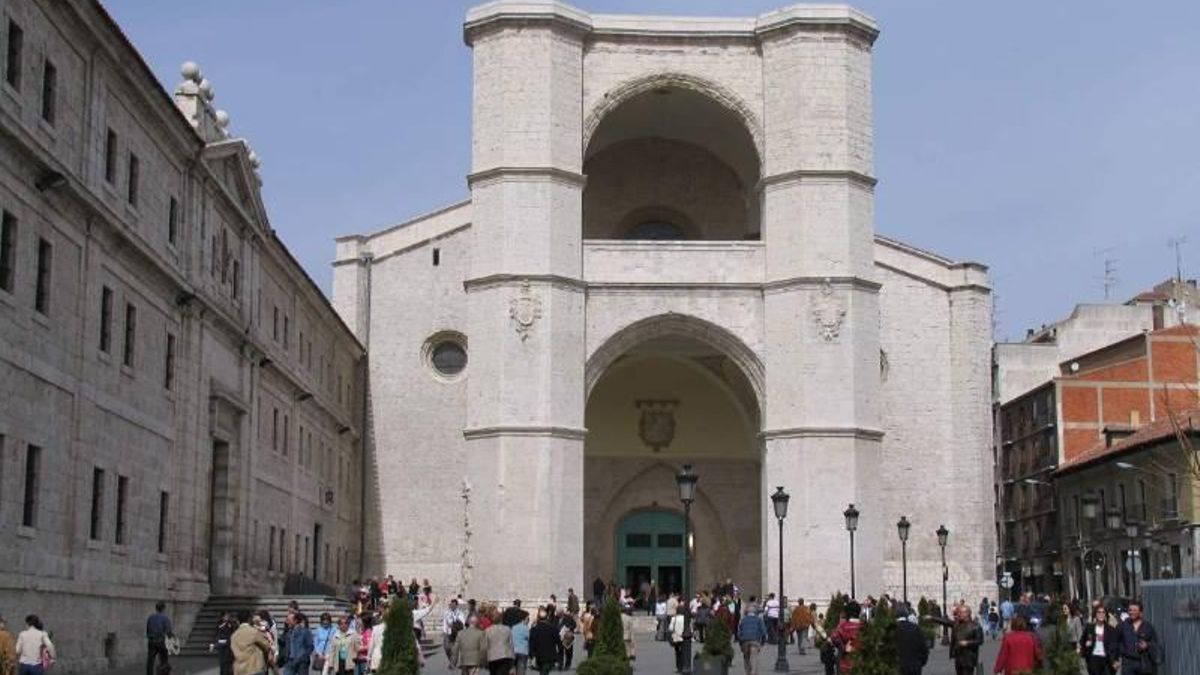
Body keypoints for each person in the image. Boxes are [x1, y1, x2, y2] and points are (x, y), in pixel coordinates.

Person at [1118, 602, 1160, 675]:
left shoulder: (1148, 627)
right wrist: (1121, 652)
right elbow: (1116, 642)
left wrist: (1147, 645)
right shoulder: (1122, 626)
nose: (1131, 612)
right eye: (1130, 610)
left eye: (1134, 610)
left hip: (1143, 662)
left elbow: (1155, 644)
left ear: (1140, 613)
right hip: (1128, 662)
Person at [1079, 605, 1120, 675]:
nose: (1101, 614)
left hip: (1106, 659)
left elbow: (1115, 646)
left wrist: (1116, 660)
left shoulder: (1111, 629)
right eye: (1099, 612)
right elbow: (1082, 641)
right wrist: (1085, 646)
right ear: (1095, 614)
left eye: (1103, 612)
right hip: (1093, 659)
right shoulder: (1089, 627)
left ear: (1105, 615)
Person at [231, 610, 272, 675]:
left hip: (240, 669)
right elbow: (266, 645)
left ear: (238, 621)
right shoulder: (253, 631)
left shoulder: (234, 636)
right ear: (249, 619)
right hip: (254, 667)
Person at [831, 601, 864, 675]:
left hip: (846, 663)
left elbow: (834, 638)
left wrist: (843, 647)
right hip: (862, 663)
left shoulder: (843, 626)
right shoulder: (865, 626)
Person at [895, 607, 930, 675]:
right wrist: (920, 662)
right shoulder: (915, 628)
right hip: (914, 666)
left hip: (896, 667)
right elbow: (923, 647)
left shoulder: (891, 629)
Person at [951, 605, 984, 675]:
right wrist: (932, 618)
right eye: (958, 612)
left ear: (967, 613)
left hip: (969, 658)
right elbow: (944, 621)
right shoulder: (957, 624)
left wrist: (967, 643)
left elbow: (980, 640)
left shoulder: (976, 626)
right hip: (959, 658)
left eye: (960, 612)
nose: (958, 614)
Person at [736, 605, 768, 675]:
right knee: (754, 658)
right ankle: (753, 673)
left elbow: (739, 633)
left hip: (745, 641)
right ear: (755, 612)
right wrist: (762, 642)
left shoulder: (743, 620)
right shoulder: (759, 619)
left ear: (746, 613)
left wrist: (740, 643)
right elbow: (764, 632)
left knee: (746, 658)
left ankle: (747, 673)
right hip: (755, 640)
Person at [146, 601, 174, 675]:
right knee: (164, 659)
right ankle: (163, 673)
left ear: (156, 608)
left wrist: (150, 637)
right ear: (163, 609)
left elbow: (148, 629)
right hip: (161, 641)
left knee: (150, 661)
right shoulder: (165, 618)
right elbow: (168, 632)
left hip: (152, 641)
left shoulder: (150, 617)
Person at [529, 610, 559, 675]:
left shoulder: (534, 629)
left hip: (539, 655)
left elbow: (531, 642)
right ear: (547, 618)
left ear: (538, 618)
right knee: (545, 671)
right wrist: (559, 654)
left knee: (542, 671)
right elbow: (558, 641)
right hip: (549, 655)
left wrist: (531, 655)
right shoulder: (553, 628)